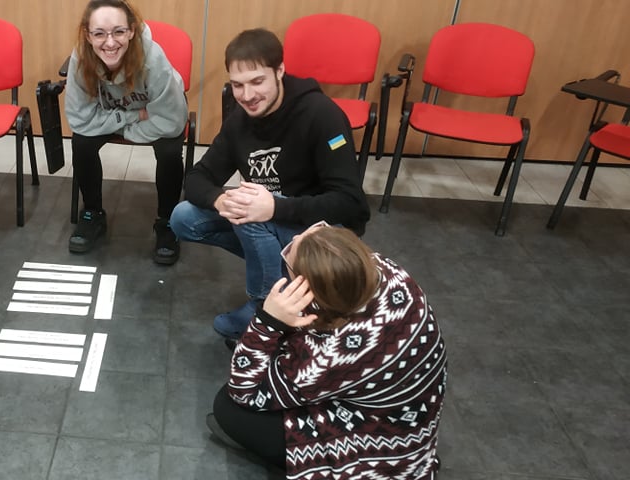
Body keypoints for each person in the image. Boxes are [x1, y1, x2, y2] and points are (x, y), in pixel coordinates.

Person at [170, 28, 370, 339]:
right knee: (184, 218)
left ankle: (266, 308)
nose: (247, 95)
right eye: (238, 85)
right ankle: (286, 280)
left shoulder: (321, 115)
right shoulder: (240, 120)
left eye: (257, 81)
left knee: (250, 210)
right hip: (270, 221)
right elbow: (197, 178)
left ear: (279, 71)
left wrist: (275, 207)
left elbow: (351, 204)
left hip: (324, 232)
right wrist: (221, 201)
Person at [206, 222, 447, 479]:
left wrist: (267, 322)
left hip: (379, 442)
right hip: (410, 417)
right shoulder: (389, 271)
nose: (295, 237)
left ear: (309, 290)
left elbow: (244, 390)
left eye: (288, 258)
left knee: (228, 407)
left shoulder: (332, 353)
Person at [65, 0, 189, 264]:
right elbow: (80, 120)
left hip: (159, 112)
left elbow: (171, 122)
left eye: (119, 31)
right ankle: (93, 213)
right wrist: (131, 117)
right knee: (82, 142)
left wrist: (118, 124)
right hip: (135, 113)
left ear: (132, 31)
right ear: (88, 34)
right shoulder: (81, 58)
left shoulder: (153, 58)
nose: (110, 42)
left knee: (169, 149)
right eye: (99, 33)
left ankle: (167, 221)